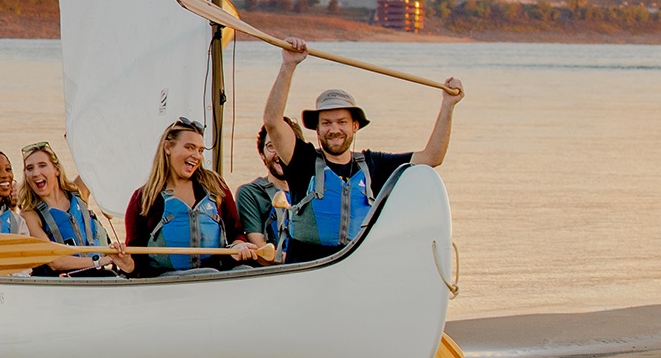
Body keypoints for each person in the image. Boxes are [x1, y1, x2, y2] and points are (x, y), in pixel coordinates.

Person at [263, 37, 465, 264]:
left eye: (342, 122)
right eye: (326, 123)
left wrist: (448, 106)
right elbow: (272, 121)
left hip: (354, 270)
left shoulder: (373, 164)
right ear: (317, 129)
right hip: (307, 270)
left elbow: (432, 157)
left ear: (355, 126)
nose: (334, 130)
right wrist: (288, 65)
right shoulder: (302, 160)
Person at [125, 118, 259, 275]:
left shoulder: (215, 185)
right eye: (190, 147)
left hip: (215, 275)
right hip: (168, 280)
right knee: (207, 273)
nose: (196, 156)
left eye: (200, 150)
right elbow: (135, 257)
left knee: (245, 271)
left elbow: (235, 232)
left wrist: (238, 245)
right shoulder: (144, 198)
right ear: (167, 147)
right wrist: (126, 263)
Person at [18, 142, 130, 275]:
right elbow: (55, 262)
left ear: (56, 169)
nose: (36, 173)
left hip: (103, 273)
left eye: (42, 165)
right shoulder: (30, 215)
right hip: (69, 280)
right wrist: (98, 262)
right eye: (29, 168)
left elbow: (96, 166)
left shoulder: (78, 194)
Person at [235, 116, 305, 264]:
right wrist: (306, 261)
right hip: (276, 273)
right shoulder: (250, 194)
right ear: (262, 154)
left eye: (286, 144)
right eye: (271, 146)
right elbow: (261, 253)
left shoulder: (314, 191)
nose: (280, 152)